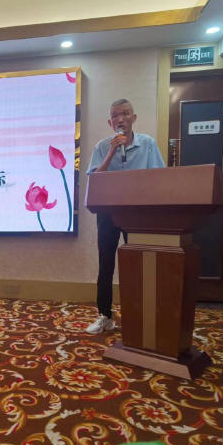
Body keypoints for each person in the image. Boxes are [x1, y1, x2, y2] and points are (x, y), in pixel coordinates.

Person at [85, 99, 165, 334]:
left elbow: (159, 178)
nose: (120, 119)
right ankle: (105, 316)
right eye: (115, 116)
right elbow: (95, 180)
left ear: (134, 118)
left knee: (139, 264)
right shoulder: (102, 147)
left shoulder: (147, 144)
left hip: (137, 213)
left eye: (125, 114)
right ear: (110, 123)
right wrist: (111, 152)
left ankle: (140, 316)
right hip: (108, 213)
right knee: (106, 264)